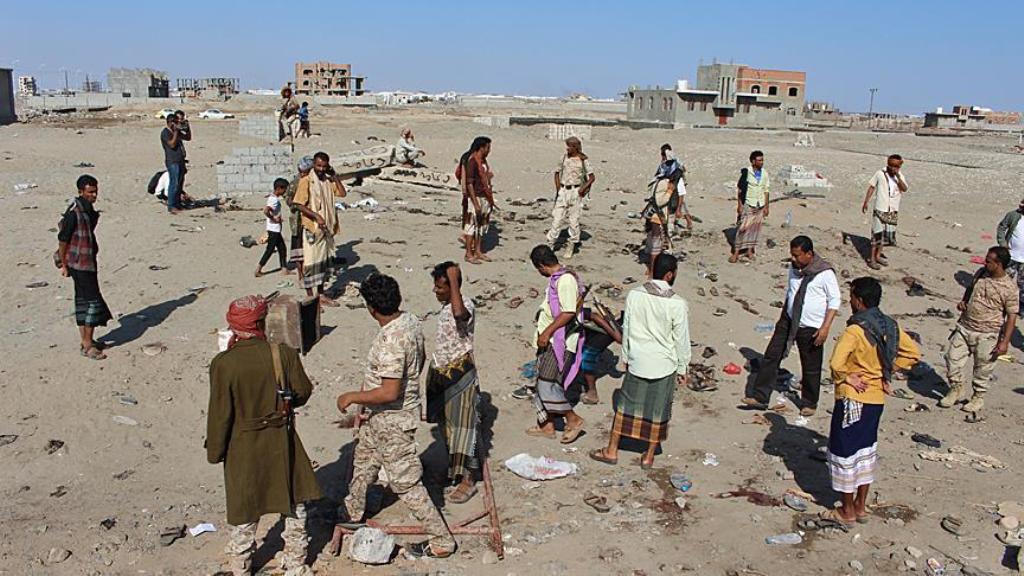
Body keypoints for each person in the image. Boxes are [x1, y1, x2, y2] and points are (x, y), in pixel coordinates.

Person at [336, 274, 457, 559]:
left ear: (371, 308)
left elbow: (389, 391)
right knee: (364, 459)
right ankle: (351, 511)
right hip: (381, 417)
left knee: (405, 481)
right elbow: (421, 359)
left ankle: (441, 539)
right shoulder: (410, 321)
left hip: (392, 419)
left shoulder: (391, 339)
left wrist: (353, 396)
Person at [206, 295, 321, 576]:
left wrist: (215, 451)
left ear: (234, 326)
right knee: (294, 505)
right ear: (261, 322)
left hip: (243, 445)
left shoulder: (224, 363)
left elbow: (220, 414)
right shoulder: (282, 354)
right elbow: (303, 392)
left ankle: (241, 566)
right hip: (282, 440)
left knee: (245, 510)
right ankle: (296, 564)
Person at [825, 277, 920, 525]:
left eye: (851, 297)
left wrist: (848, 376)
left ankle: (846, 510)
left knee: (844, 451)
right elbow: (913, 354)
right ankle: (860, 505)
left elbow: (836, 363)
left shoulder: (855, 330)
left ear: (859, 300)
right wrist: (887, 370)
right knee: (865, 449)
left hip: (853, 398)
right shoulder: (890, 325)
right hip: (876, 398)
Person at [589, 254, 690, 469]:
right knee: (658, 410)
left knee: (625, 407)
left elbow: (628, 330)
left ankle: (611, 450)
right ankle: (648, 456)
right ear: (670, 274)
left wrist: (625, 356)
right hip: (664, 364)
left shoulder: (635, 295)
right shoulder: (678, 304)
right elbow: (681, 340)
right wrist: (683, 367)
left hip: (638, 360)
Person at [742, 236, 841, 416]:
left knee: (810, 365)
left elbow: (834, 301)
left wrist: (825, 328)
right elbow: (791, 291)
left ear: (809, 254)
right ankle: (760, 397)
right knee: (772, 356)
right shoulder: (794, 269)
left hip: (811, 326)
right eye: (792, 255)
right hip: (788, 320)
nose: (794, 259)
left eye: (797, 256)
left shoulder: (824, 273)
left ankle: (809, 402)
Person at [425, 262, 481, 503]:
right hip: (442, 371)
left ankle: (469, 479)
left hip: (460, 375)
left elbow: (461, 315)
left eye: (440, 287)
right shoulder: (447, 306)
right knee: (446, 428)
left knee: (463, 430)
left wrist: (454, 281)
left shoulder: (464, 304)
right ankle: (455, 471)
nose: (435, 291)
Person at [940, 246, 1018, 416]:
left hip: (988, 333)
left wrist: (1004, 342)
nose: (985, 262)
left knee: (982, 368)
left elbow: (1012, 316)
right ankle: (956, 388)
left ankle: (978, 397)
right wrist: (964, 301)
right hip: (965, 326)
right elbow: (970, 289)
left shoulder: (1009, 288)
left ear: (999, 264)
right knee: (951, 358)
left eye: (989, 261)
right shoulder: (981, 273)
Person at [527, 245, 587, 443]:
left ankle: (573, 419)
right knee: (542, 380)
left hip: (559, 340)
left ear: (542, 266)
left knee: (548, 383)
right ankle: (547, 425)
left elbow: (568, 312)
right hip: (550, 339)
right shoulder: (558, 279)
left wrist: (547, 332)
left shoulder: (565, 280)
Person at [57, 175, 112, 360]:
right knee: (92, 303)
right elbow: (63, 239)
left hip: (87, 261)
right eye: (90, 192)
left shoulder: (88, 210)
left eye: (95, 191)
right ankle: (88, 345)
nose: (94, 195)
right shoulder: (74, 212)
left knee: (83, 301)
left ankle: (87, 340)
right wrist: (64, 264)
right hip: (78, 264)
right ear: (81, 192)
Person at [292, 152, 346, 307]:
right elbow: (298, 204)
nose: (321, 169)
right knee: (310, 263)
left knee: (323, 263)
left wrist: (334, 176)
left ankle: (321, 294)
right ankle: (311, 297)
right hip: (312, 228)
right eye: (318, 166)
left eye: (324, 166)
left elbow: (342, 193)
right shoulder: (306, 181)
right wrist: (316, 216)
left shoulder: (328, 181)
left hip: (327, 228)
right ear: (313, 165)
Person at [545, 136, 595, 260]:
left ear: (575, 147)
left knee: (573, 221)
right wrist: (558, 189)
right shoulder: (563, 158)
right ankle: (550, 244)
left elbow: (592, 177)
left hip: (575, 191)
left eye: (570, 146)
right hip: (563, 190)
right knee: (557, 219)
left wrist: (583, 188)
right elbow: (557, 173)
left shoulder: (583, 160)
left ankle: (571, 244)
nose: (567, 148)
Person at [861, 154, 909, 270]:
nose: (893, 168)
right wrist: (866, 202)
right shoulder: (880, 173)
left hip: (892, 209)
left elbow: (904, 188)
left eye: (896, 166)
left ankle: (878, 256)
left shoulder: (900, 176)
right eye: (892, 165)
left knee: (885, 236)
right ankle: (871, 259)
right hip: (880, 208)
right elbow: (872, 187)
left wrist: (897, 176)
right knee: (876, 235)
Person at [579, 300, 623, 405]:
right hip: (594, 327)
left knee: (587, 356)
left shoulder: (568, 309)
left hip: (610, 326)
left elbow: (594, 316)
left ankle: (592, 393)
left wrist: (615, 334)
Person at [730, 150, 770, 263]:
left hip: (760, 204)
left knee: (754, 229)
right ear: (753, 161)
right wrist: (739, 205)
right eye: (759, 160)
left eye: (762, 160)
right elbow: (740, 190)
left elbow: (766, 191)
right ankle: (736, 252)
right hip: (749, 203)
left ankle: (749, 251)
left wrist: (767, 206)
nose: (762, 162)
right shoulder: (747, 173)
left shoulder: (765, 173)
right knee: (743, 228)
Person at [459, 137, 494, 264]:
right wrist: (475, 202)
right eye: (488, 148)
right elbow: (469, 183)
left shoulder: (483, 161)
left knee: (481, 225)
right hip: (476, 196)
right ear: (482, 147)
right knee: (471, 225)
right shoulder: (472, 161)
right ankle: (468, 253)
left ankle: (478, 251)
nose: (489, 150)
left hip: (484, 196)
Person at [654, 144, 693, 233]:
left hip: (676, 187)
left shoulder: (674, 167)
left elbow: (681, 193)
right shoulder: (665, 165)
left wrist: (678, 210)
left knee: (680, 203)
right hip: (670, 188)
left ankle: (687, 222)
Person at [286, 156, 313, 279]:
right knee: (297, 245)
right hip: (297, 219)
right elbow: (288, 198)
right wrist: (295, 203)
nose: (302, 174)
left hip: (310, 218)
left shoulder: (313, 181)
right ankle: (300, 272)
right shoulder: (295, 182)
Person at [256, 178, 290, 277]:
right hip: (273, 229)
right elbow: (266, 210)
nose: (285, 192)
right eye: (284, 190)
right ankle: (258, 269)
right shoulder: (274, 200)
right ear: (279, 188)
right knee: (270, 250)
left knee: (282, 248)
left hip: (275, 229)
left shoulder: (272, 197)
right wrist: (273, 219)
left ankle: (284, 269)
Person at [996, 197, 1024, 315]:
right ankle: (1000, 304)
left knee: (1022, 284)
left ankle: (1020, 307)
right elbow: (1002, 228)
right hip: (1011, 256)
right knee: (1005, 281)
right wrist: (1003, 244)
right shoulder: (1013, 215)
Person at [643, 176, 675, 274]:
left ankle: (652, 269)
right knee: (656, 247)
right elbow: (660, 201)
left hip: (654, 216)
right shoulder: (664, 183)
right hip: (658, 217)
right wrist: (670, 191)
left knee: (654, 245)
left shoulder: (656, 180)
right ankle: (652, 271)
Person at [160, 113, 187, 214]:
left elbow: (188, 137)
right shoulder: (165, 133)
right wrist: (175, 131)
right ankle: (171, 205)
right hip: (172, 161)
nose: (177, 124)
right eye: (175, 122)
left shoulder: (177, 132)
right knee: (174, 183)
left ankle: (177, 203)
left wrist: (187, 128)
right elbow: (172, 144)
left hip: (180, 160)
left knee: (179, 183)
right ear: (170, 122)